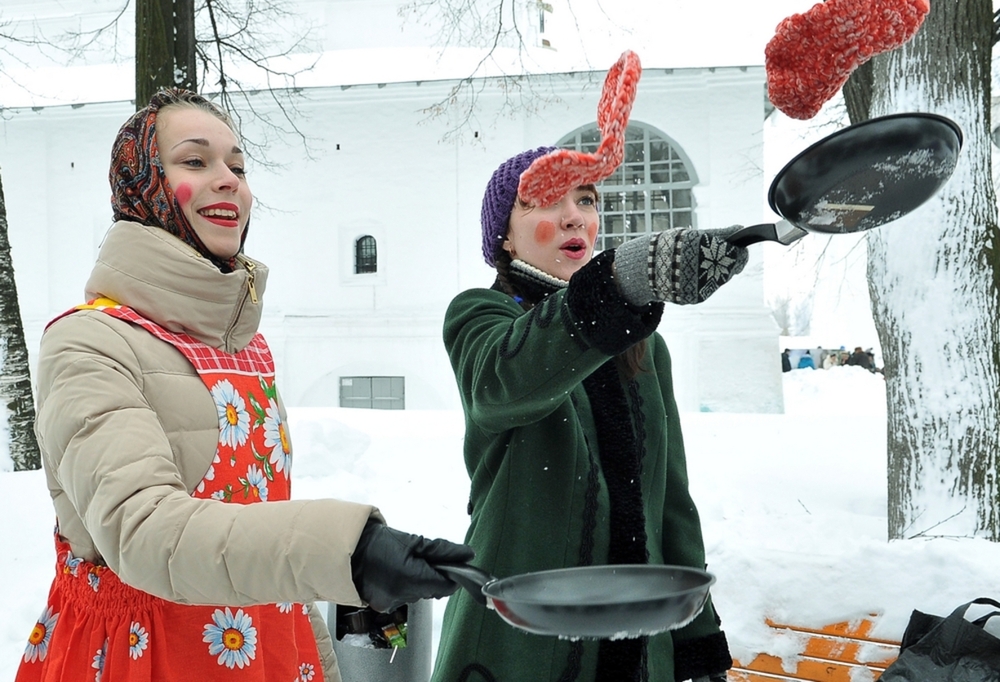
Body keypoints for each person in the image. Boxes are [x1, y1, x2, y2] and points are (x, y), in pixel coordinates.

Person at [16, 89, 473, 682]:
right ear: (144, 186)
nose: (228, 179)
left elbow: (257, 542)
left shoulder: (247, 347)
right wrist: (348, 551)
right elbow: (147, 534)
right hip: (149, 660)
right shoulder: (88, 343)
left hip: (267, 654)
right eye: (195, 161)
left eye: (237, 165)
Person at [431, 146, 748, 682]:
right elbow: (502, 386)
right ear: (504, 237)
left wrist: (698, 645)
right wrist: (616, 287)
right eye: (544, 202)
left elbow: (671, 501)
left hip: (643, 644)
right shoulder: (480, 316)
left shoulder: (646, 348)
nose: (574, 214)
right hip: (519, 645)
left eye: (585, 198)